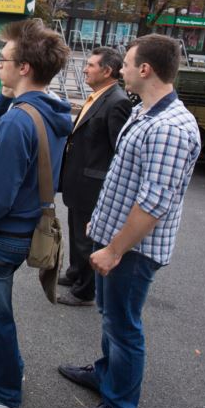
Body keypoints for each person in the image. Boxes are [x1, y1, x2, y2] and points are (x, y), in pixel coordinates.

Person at [60, 34, 201, 408]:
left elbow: (153, 204)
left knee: (124, 327)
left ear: (145, 69)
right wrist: (101, 223)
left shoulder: (170, 128)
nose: (120, 69)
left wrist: (114, 248)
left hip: (132, 251)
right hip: (116, 240)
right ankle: (105, 374)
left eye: (126, 63)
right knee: (111, 317)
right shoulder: (145, 111)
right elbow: (122, 178)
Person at [0, 19, 72, 408]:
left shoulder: (18, 120)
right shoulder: (50, 109)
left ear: (24, 67)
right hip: (26, 229)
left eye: (3, 59)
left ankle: (4, 392)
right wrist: (7, 93)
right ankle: (10, 372)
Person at [57, 47, 132, 307]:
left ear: (107, 71)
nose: (85, 69)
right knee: (76, 231)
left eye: (90, 65)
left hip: (93, 184)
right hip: (79, 181)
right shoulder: (98, 96)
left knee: (86, 238)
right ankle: (75, 273)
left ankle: (85, 291)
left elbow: (119, 150)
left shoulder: (118, 102)